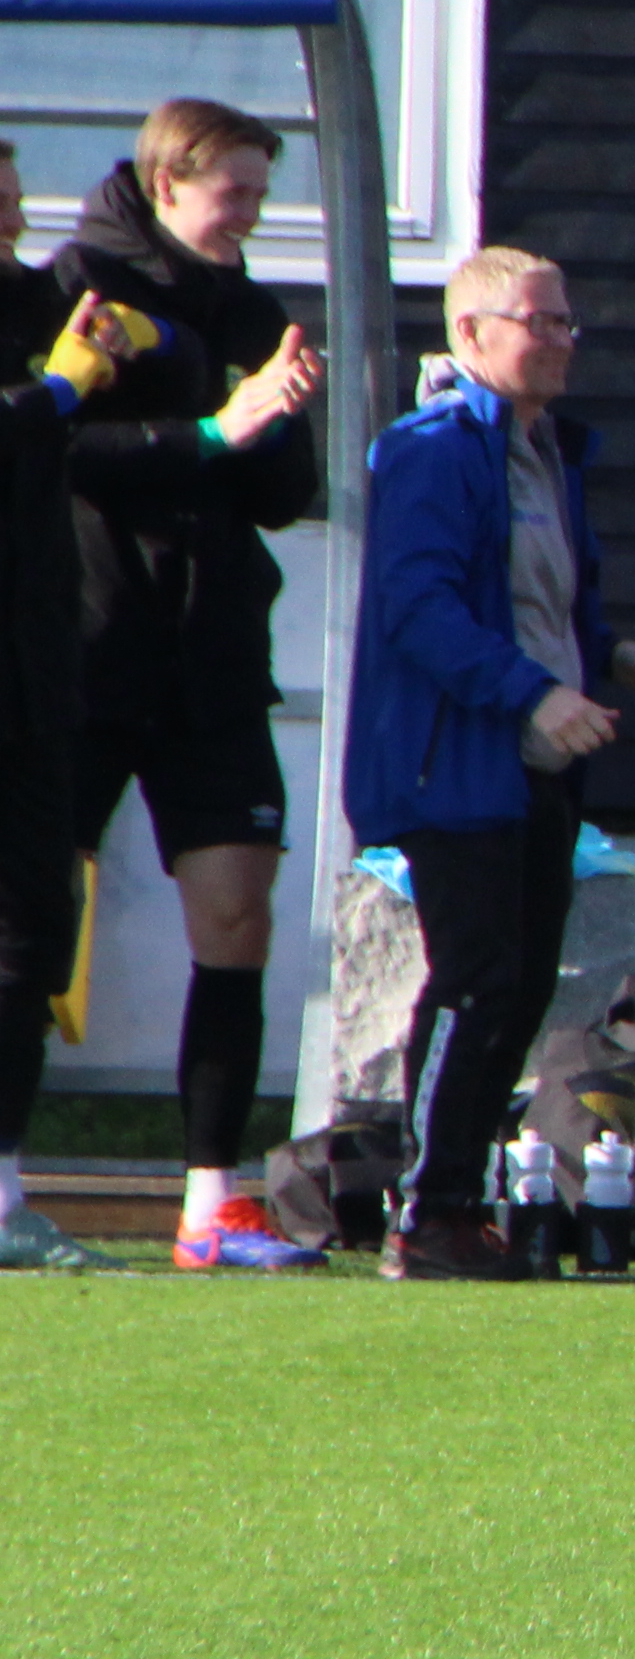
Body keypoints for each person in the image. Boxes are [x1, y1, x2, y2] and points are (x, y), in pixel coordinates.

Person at [344, 247, 635, 1279]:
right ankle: (426, 1212)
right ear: (469, 334)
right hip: (457, 761)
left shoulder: (548, 452)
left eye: (565, 322)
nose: (557, 341)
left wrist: (616, 660)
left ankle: (456, 1200)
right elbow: (421, 611)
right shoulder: (431, 450)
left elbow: (544, 606)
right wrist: (534, 694)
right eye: (534, 321)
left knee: (522, 980)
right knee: (476, 977)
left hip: (539, 760)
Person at [47, 97, 326, 1270]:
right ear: (170, 183)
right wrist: (212, 432)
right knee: (27, 924)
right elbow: (47, 447)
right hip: (86, 650)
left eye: (264, 194)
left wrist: (273, 423)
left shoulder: (255, 310)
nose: (252, 216)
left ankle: (211, 1204)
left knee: (236, 915)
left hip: (213, 660)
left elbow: (278, 496)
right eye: (236, 194)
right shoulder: (80, 285)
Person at [0, 164, 166, 1269]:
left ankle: (5, 1198)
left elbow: (169, 345)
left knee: (26, 931)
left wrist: (141, 340)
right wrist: (55, 395)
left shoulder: (31, 300)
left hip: (31, 665)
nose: (14, 209)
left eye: (13, 190)